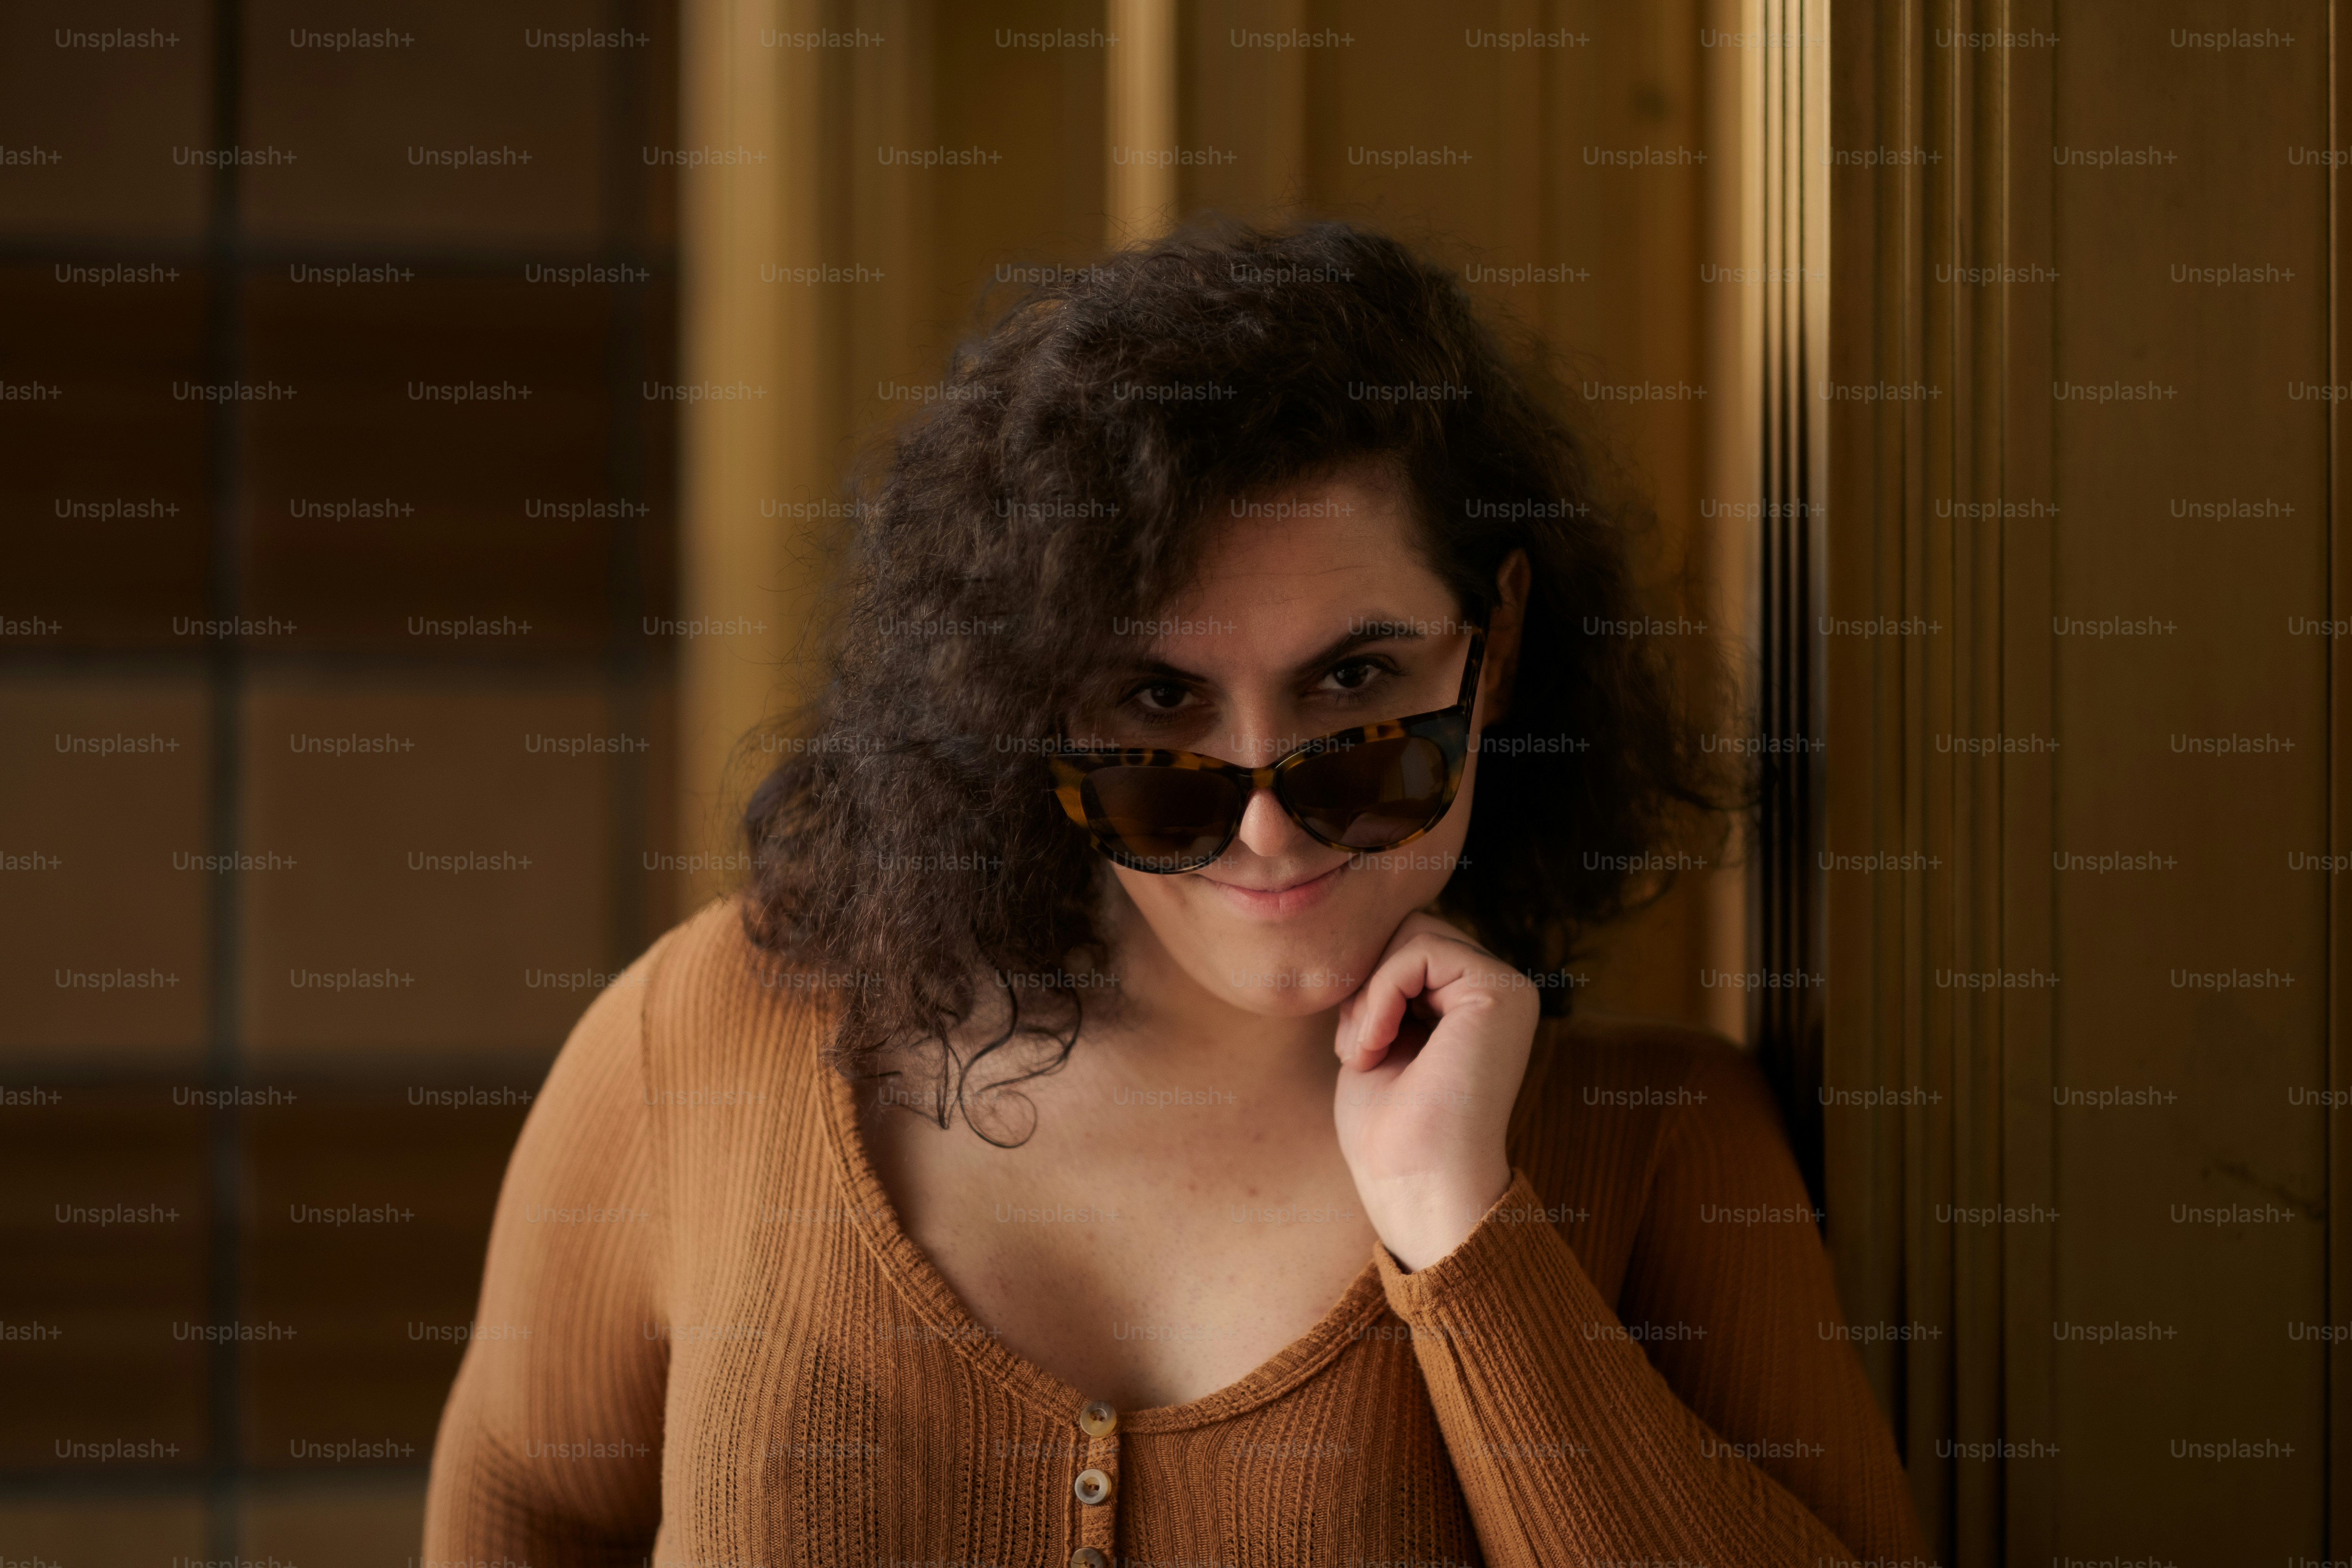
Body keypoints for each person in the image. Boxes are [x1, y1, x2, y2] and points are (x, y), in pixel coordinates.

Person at [423, 220, 1926, 1566]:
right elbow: (528, 1505)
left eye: (1356, 682)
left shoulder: (1661, 1147)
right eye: (1159, 700)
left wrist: (1467, 1243)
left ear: (1498, 645)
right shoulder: (704, 1043)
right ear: (1028, 698)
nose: (1267, 823)